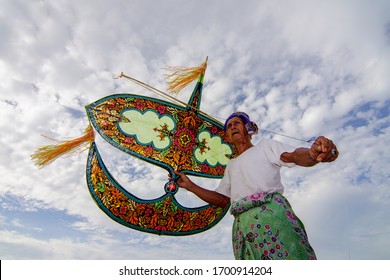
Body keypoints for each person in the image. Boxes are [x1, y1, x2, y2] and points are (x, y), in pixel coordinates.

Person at [174, 112, 338, 260]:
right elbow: (223, 200)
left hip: (272, 217)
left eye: (236, 123)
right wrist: (189, 185)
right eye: (229, 126)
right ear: (228, 137)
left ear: (247, 128)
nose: (233, 127)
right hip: (243, 227)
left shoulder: (265, 147)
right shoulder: (231, 165)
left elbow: (294, 156)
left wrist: (312, 153)